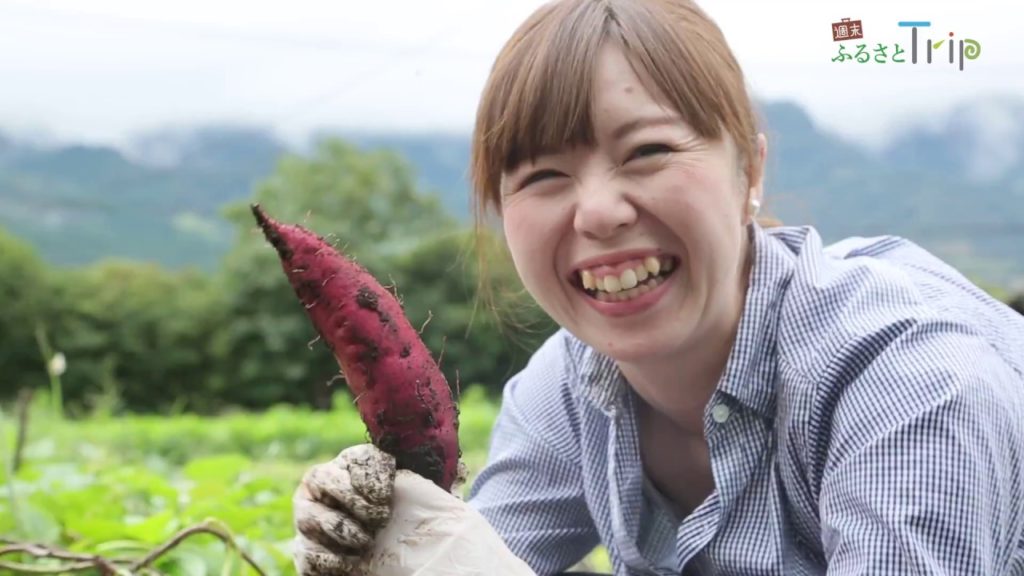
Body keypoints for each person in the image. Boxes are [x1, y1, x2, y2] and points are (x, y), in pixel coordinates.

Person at [291, 0, 1024, 574]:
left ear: (751, 171)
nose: (600, 212)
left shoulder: (914, 386)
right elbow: (485, 553)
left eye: (648, 152)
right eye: (543, 176)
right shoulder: (570, 390)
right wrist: (388, 541)